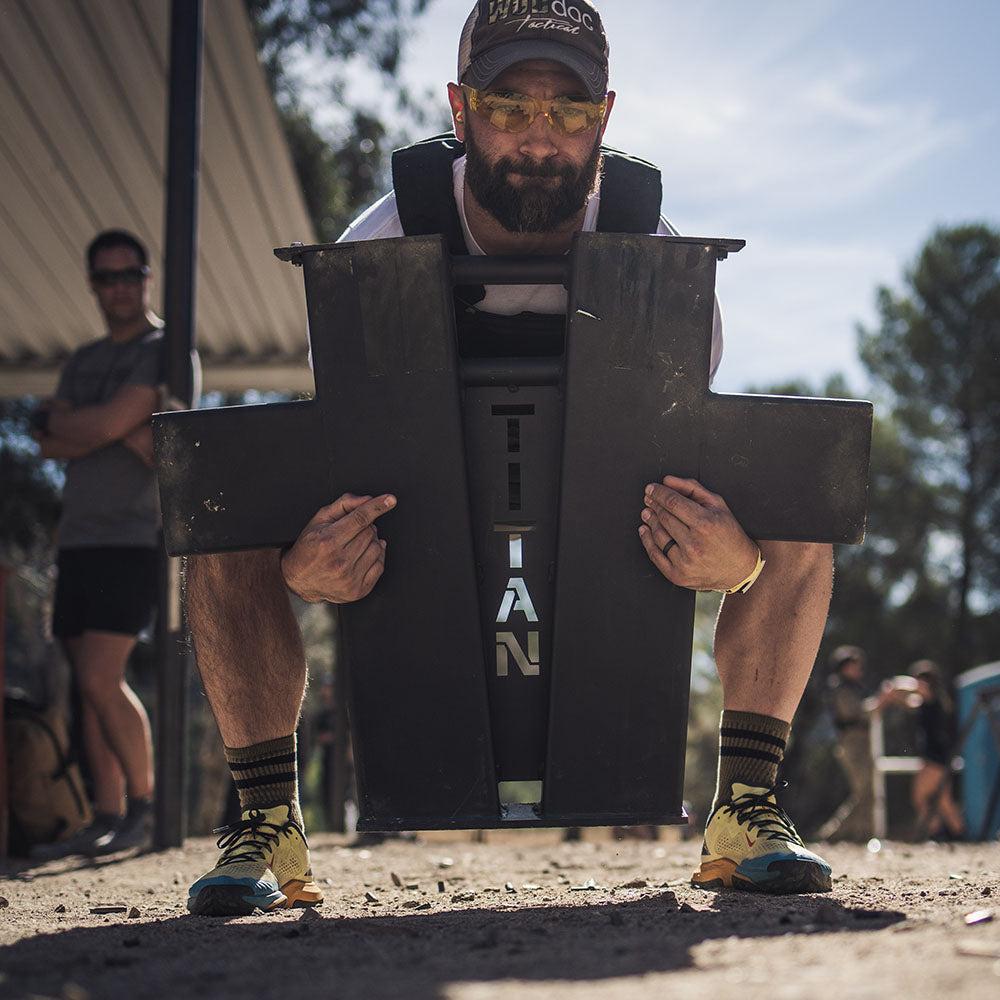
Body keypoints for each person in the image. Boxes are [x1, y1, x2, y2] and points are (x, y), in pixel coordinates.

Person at [184, 0, 835, 916]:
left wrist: (741, 564)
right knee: (218, 496)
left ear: (604, 120)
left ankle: (746, 809)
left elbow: (691, 467)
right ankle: (266, 823)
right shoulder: (375, 254)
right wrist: (297, 569)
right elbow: (334, 464)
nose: (540, 135)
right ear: (460, 109)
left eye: (569, 111)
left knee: (806, 486)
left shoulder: (662, 268)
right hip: (418, 542)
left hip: (607, 543)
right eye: (508, 105)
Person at [30, 229, 165, 858]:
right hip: (77, 541)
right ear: (92, 285)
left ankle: (145, 809)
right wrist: (114, 428)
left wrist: (86, 425)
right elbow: (45, 442)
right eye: (107, 278)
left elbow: (89, 425)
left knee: (100, 677)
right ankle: (106, 817)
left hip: (132, 539)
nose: (120, 287)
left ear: (147, 278)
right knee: (86, 689)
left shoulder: (164, 348)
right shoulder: (82, 359)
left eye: (129, 274)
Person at [817, 645, 892, 842]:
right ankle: (833, 834)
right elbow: (858, 713)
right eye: (854, 665)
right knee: (863, 792)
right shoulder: (841, 690)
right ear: (844, 667)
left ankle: (862, 835)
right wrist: (882, 699)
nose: (859, 669)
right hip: (852, 745)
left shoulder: (853, 687)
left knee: (867, 793)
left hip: (860, 744)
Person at [906, 660, 965, 841]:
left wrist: (895, 686)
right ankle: (960, 834)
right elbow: (909, 702)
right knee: (944, 801)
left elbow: (916, 691)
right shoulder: (935, 701)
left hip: (934, 758)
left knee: (919, 797)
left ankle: (934, 833)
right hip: (942, 757)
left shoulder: (932, 698)